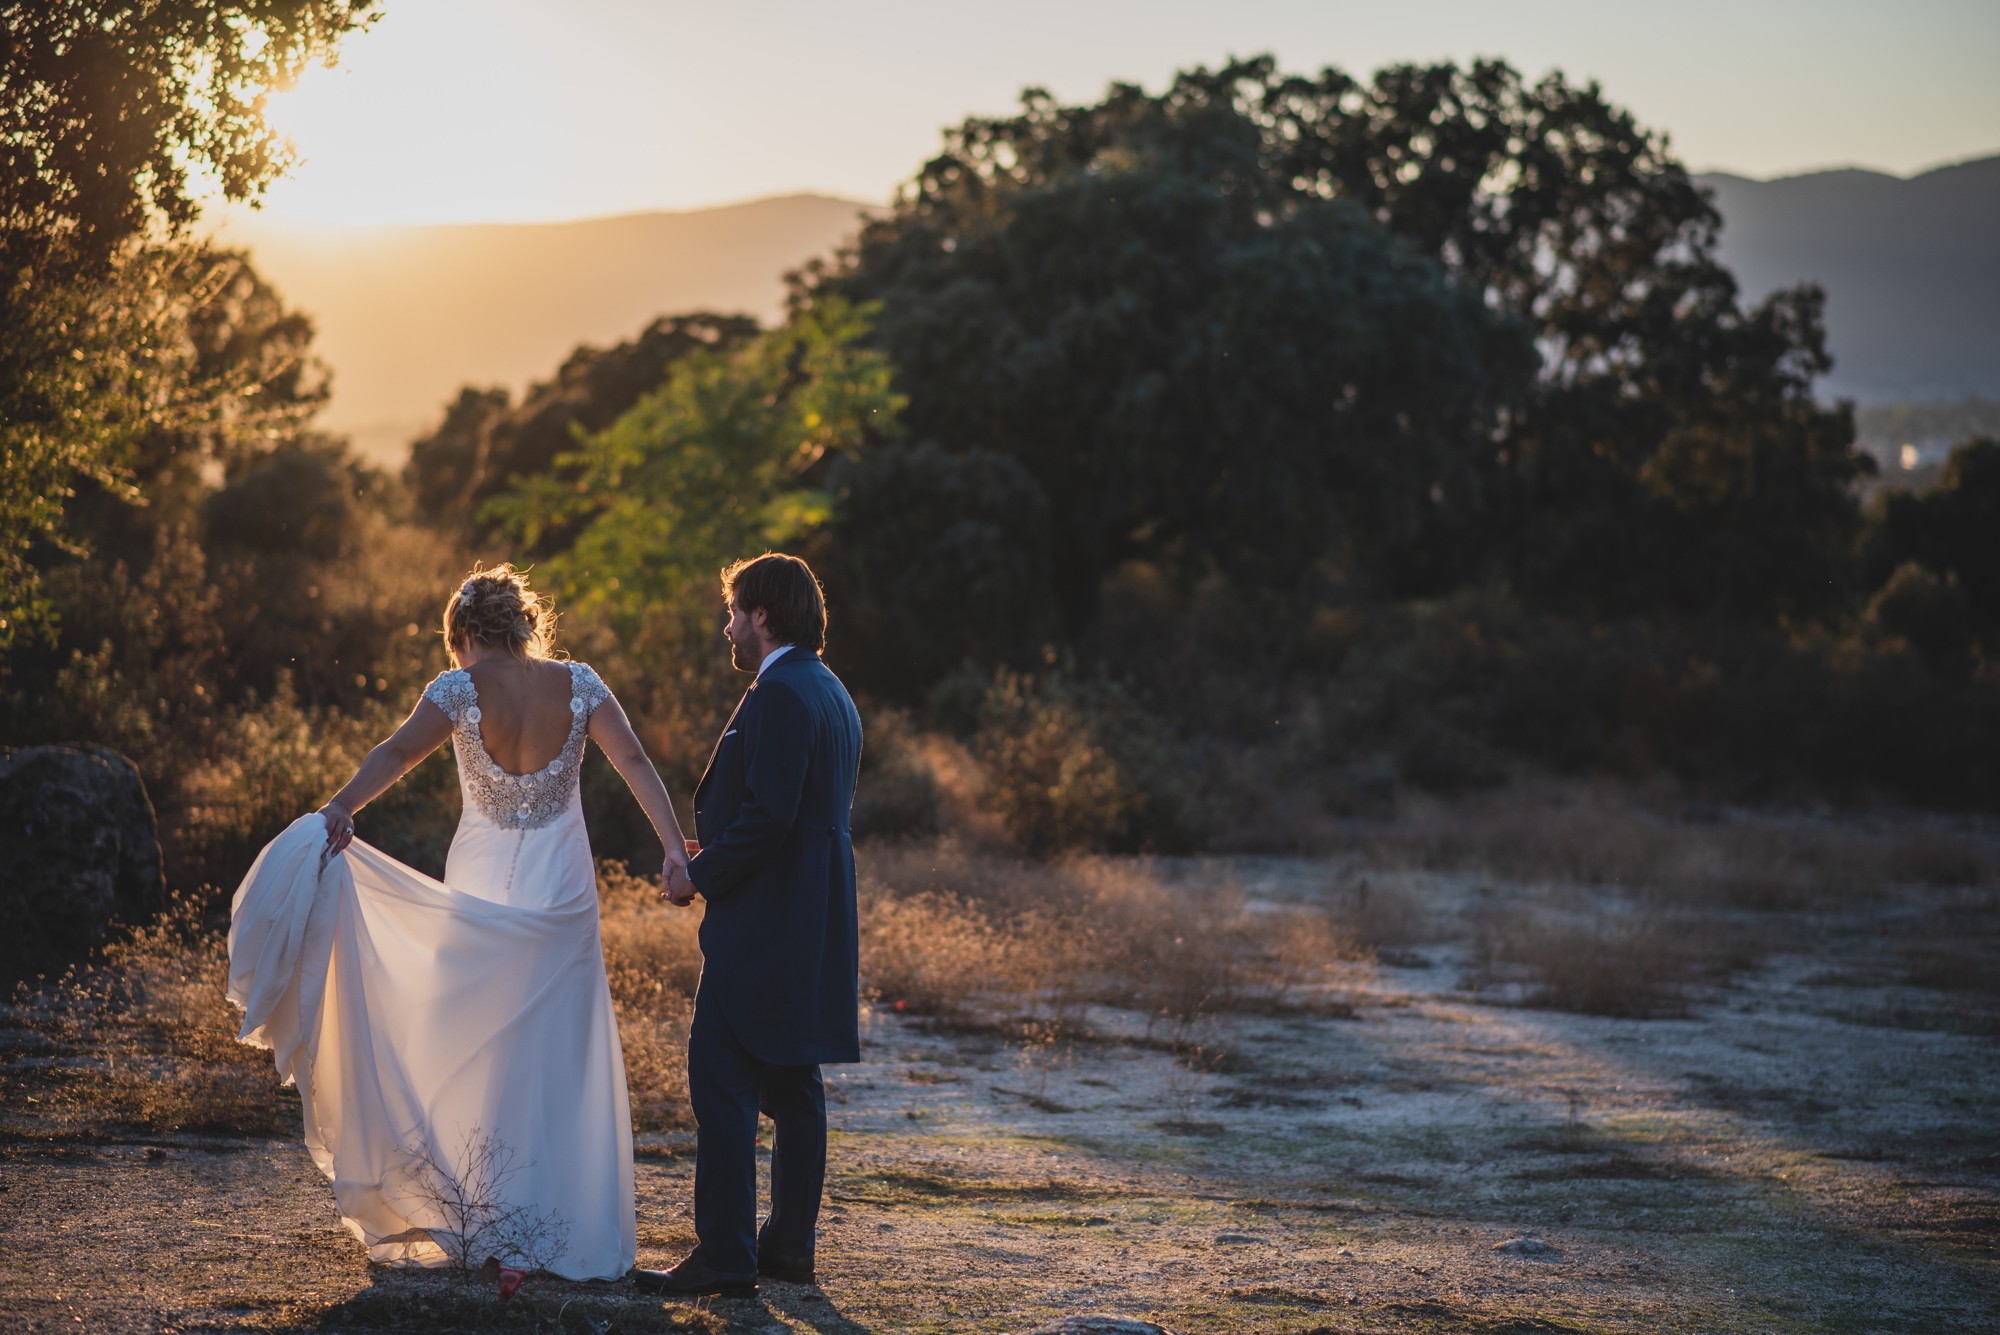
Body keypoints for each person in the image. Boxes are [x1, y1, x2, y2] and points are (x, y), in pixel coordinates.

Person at [226, 564, 689, 1280]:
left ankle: (474, 1205)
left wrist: (342, 805)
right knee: (556, 1047)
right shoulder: (581, 683)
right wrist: (673, 849)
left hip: (480, 880)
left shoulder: (458, 689)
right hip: (562, 887)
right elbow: (632, 758)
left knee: (466, 1033)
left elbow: (397, 752)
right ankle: (555, 1215)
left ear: (466, 633)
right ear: (523, 624)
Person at [633, 552, 863, 1299]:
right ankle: (788, 1249)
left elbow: (769, 817)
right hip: (810, 918)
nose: (727, 625)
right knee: (794, 1085)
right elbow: (790, 814)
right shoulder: (829, 690)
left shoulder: (780, 693)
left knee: (722, 1081)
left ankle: (727, 1259)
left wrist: (697, 876)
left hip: (764, 926)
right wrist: (716, 850)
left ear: (762, 615)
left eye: (734, 611)